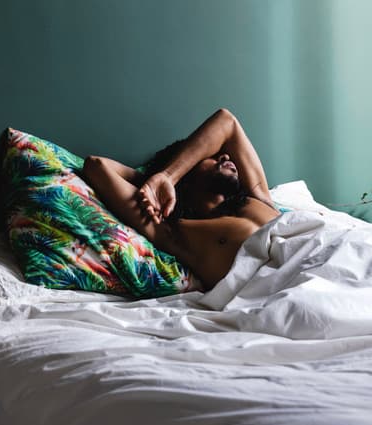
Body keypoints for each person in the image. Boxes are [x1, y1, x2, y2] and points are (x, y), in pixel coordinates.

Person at [82, 108, 280, 289]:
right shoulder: (173, 231)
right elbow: (96, 166)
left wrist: (168, 175)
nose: (226, 157)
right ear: (186, 171)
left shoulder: (258, 197)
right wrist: (153, 180)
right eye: (213, 155)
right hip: (278, 295)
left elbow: (227, 121)